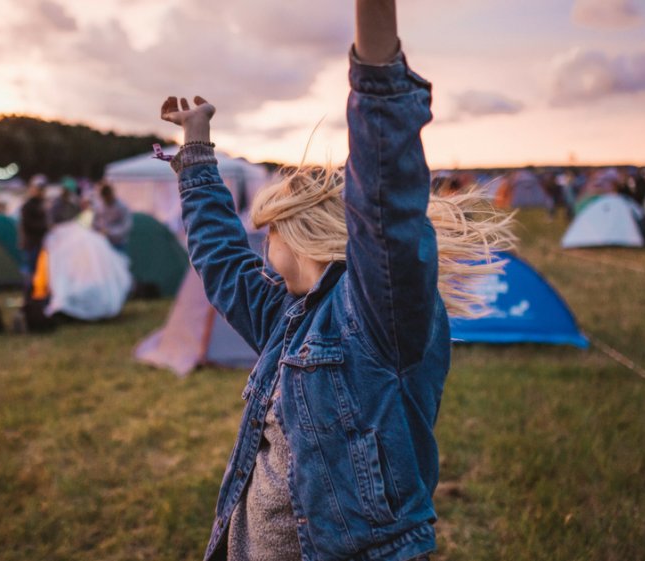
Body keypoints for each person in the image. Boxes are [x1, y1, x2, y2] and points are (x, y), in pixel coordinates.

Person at [159, 1, 513, 559]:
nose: (259, 245)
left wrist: (376, 62)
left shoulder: (376, 313)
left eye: (266, 233)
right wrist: (197, 150)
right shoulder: (289, 317)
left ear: (295, 235)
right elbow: (222, 261)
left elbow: (386, 198)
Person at [19, 180, 49, 283]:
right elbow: (28, 224)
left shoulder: (43, 204)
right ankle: (29, 290)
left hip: (41, 242)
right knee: (31, 267)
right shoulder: (28, 206)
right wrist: (45, 226)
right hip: (32, 242)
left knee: (39, 268)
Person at [92, 181, 133, 250]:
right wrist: (99, 231)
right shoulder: (99, 206)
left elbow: (126, 226)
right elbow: (95, 222)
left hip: (118, 243)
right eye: (105, 197)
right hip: (102, 242)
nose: (107, 199)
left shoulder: (121, 207)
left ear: (112, 194)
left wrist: (110, 232)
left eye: (108, 195)